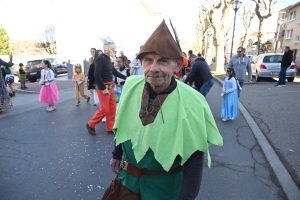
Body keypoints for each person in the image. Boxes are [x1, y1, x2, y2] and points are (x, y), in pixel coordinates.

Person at [108, 20, 223, 200]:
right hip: (128, 182)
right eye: (148, 61)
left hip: (165, 189)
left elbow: (194, 159)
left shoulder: (194, 101)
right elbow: (122, 123)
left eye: (162, 61)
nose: (153, 68)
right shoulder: (130, 85)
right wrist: (116, 154)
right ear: (141, 62)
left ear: (176, 64)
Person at [86, 37, 127, 135]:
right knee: (104, 109)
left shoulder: (108, 58)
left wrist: (127, 77)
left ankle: (110, 127)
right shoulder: (100, 58)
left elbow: (113, 72)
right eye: (113, 49)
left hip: (110, 87)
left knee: (112, 108)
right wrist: (103, 88)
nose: (114, 51)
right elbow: (97, 74)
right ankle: (90, 124)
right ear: (108, 48)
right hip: (103, 88)